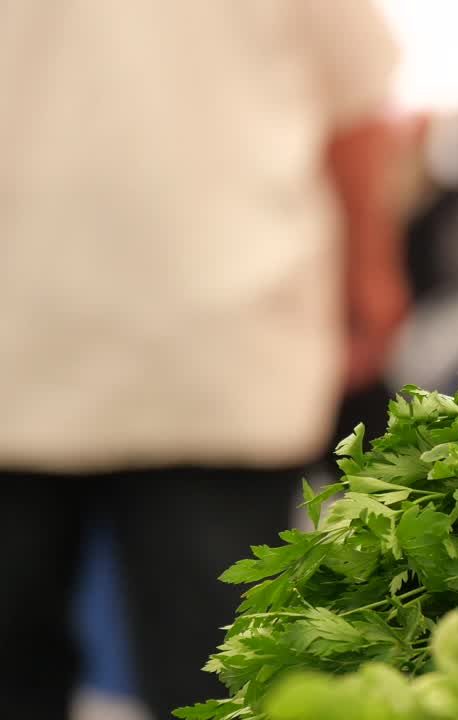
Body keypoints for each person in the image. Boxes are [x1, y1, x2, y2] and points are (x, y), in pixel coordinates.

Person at [0, 2, 408, 718]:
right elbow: (355, 103)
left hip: (184, 356)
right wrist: (369, 276)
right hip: (222, 343)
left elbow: (353, 103)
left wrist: (368, 277)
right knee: (218, 689)